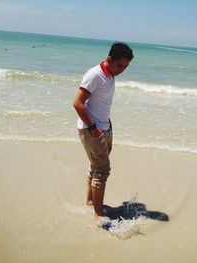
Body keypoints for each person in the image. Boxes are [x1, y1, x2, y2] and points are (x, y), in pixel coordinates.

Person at [73, 43, 133, 220]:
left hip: (104, 128)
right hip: (92, 130)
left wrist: (107, 126)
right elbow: (77, 103)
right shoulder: (95, 75)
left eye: (126, 67)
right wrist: (93, 128)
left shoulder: (111, 74)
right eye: (119, 65)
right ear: (109, 59)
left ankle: (91, 202)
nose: (122, 70)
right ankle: (99, 216)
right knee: (102, 170)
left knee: (96, 166)